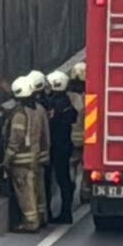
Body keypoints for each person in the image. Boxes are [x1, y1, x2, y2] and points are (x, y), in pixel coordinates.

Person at [4, 75, 50, 232]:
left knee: (25, 192)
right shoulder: (38, 109)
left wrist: (7, 160)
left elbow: (15, 140)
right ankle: (41, 216)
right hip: (36, 157)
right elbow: (45, 135)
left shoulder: (19, 115)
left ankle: (30, 222)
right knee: (37, 188)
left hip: (21, 161)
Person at [43, 70, 78, 224]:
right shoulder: (68, 104)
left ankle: (48, 213)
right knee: (64, 179)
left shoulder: (50, 104)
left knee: (47, 180)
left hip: (52, 147)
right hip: (64, 146)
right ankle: (66, 212)